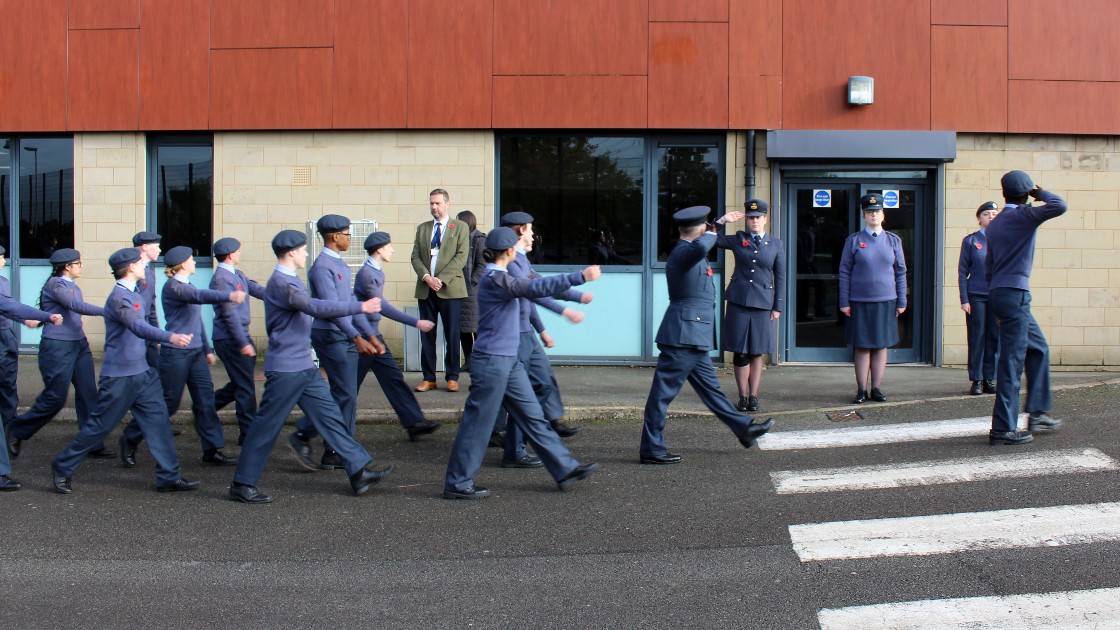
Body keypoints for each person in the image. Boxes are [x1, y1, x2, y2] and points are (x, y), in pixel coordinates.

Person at [229, 230, 393, 504]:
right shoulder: (284, 283)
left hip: (303, 366)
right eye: (304, 250)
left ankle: (358, 472)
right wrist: (359, 307)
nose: (307, 253)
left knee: (330, 417)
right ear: (291, 252)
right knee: (266, 426)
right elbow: (312, 306)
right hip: (286, 369)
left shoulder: (288, 279)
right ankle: (242, 483)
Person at [443, 227, 599, 499]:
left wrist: (568, 304)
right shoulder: (496, 279)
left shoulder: (503, 276)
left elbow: (535, 291)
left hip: (509, 359)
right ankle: (457, 483)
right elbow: (534, 287)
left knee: (533, 416)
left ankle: (564, 469)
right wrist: (580, 277)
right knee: (477, 424)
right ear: (509, 251)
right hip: (492, 362)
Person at [50, 247, 197, 494]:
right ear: (131, 267)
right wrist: (170, 337)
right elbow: (138, 327)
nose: (144, 266)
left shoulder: (135, 293)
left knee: (158, 421)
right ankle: (62, 465)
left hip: (142, 373)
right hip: (119, 377)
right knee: (99, 426)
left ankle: (168, 476)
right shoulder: (119, 298)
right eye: (141, 263)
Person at [639, 207, 773, 465]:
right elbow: (701, 247)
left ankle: (744, 429)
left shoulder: (690, 251)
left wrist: (712, 227)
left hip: (693, 335)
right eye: (706, 229)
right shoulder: (683, 251)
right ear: (700, 230)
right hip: (682, 335)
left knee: (712, 391)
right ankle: (652, 449)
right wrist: (718, 224)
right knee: (662, 394)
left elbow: (702, 247)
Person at [119, 246, 246, 468]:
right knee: (168, 403)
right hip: (175, 354)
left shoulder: (187, 284)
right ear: (183, 264)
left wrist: (206, 349)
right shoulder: (175, 287)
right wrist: (229, 294)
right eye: (192, 260)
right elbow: (198, 297)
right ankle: (131, 437)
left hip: (195, 352)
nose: (195, 262)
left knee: (205, 401)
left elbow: (195, 322)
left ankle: (212, 449)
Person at [288, 214, 381, 471]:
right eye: (347, 234)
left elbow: (348, 303)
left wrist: (366, 332)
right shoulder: (321, 267)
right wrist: (356, 337)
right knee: (345, 394)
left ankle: (332, 449)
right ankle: (314, 438)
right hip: (331, 335)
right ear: (335, 236)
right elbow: (332, 309)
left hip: (342, 333)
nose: (350, 239)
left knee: (345, 394)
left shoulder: (339, 264)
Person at [495, 210, 586, 467]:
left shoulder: (521, 259)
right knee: (523, 392)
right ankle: (515, 447)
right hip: (517, 334)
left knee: (541, 384)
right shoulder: (512, 261)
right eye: (531, 230)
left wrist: (542, 329)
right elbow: (535, 292)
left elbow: (532, 294)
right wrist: (567, 307)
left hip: (527, 332)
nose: (534, 235)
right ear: (521, 229)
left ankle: (522, 441)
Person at [7, 248, 115, 460]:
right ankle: (17, 430)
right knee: (55, 398)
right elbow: (74, 305)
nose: (82, 266)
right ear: (67, 267)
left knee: (88, 393)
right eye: (79, 263)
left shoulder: (71, 285)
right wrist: (107, 311)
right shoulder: (56, 284)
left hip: (79, 345)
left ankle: (92, 442)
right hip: (57, 348)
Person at [985, 171, 1067, 445]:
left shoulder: (995, 224)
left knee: (1038, 347)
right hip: (1016, 294)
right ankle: (1003, 429)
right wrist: (1040, 193)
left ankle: (1039, 411)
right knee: (1011, 361)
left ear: (1004, 194)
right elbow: (1059, 205)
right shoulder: (1023, 216)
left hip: (999, 292)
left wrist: (997, 309)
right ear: (1025, 195)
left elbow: (988, 266)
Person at [353, 231, 441, 441]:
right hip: (366, 339)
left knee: (393, 378)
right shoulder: (367, 274)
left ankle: (414, 422)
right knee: (347, 390)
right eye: (389, 246)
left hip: (374, 337)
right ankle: (307, 429)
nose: (392, 249)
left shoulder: (376, 272)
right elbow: (382, 307)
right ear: (379, 249)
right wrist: (416, 322)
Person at [1, 245, 64, 491]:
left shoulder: (3, 281)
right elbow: (9, 306)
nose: (4, 260)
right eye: (1, 257)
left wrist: (24, 319)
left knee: (8, 396)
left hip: (6, 340)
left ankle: (10, 438)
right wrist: (45, 316)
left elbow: (8, 307)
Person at [716, 199, 785, 412]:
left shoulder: (776, 244)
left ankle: (754, 395)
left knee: (756, 351)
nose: (754, 221)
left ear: (765, 219)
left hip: (763, 303)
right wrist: (721, 221)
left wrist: (777, 306)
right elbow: (709, 240)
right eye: (751, 218)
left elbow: (780, 276)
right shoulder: (739, 239)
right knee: (740, 351)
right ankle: (742, 396)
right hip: (739, 301)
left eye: (758, 217)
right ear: (747, 220)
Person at [838, 194, 907, 404]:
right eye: (869, 212)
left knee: (880, 345)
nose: (873, 215)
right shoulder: (854, 240)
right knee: (862, 346)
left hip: (886, 300)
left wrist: (902, 300)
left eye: (877, 211)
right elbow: (844, 272)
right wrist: (844, 301)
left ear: (883, 214)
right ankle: (861, 390)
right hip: (859, 301)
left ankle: (876, 388)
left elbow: (901, 272)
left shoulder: (893, 241)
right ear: (864, 215)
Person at [209, 237, 266, 445]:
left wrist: (281, 297)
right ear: (231, 254)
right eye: (239, 252)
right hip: (231, 338)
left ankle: (206, 408)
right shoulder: (222, 279)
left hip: (237, 336)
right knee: (245, 386)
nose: (240, 254)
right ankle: (248, 433)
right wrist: (243, 342)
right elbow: (229, 314)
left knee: (241, 382)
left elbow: (255, 288)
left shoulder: (237, 274)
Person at [410, 188, 469, 392]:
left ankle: (452, 377)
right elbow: (415, 256)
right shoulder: (423, 228)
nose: (434, 207)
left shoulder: (459, 227)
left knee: (452, 334)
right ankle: (429, 377)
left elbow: (461, 256)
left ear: (447, 204)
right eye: (431, 203)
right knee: (427, 333)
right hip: (426, 289)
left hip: (450, 289)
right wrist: (427, 277)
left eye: (437, 203)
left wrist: (441, 280)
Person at [959, 201, 1001, 396]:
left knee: (994, 338)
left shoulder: (1003, 240)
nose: (991, 217)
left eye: (994, 213)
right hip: (976, 295)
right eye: (987, 214)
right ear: (979, 218)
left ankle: (989, 378)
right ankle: (976, 379)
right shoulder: (970, 241)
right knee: (977, 338)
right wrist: (964, 299)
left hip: (996, 295)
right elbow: (962, 272)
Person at [457, 210, 487, 372]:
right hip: (461, 290)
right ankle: (468, 360)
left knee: (476, 328)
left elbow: (482, 264)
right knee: (464, 329)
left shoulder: (479, 239)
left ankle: (479, 362)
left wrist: (472, 282)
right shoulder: (460, 239)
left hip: (474, 290)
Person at [133, 231, 163, 368]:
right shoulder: (132, 271)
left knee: (154, 371)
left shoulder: (149, 272)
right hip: (135, 330)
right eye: (156, 246)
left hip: (147, 329)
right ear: (145, 247)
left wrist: (155, 332)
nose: (159, 250)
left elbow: (151, 305)